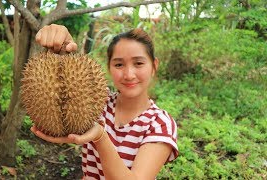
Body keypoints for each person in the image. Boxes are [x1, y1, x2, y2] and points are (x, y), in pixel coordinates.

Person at [31, 24, 178, 180]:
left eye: (139, 63)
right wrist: (62, 45)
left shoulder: (160, 125)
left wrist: (100, 137)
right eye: (119, 64)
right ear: (109, 68)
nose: (129, 74)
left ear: (154, 66)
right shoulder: (99, 102)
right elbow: (71, 83)